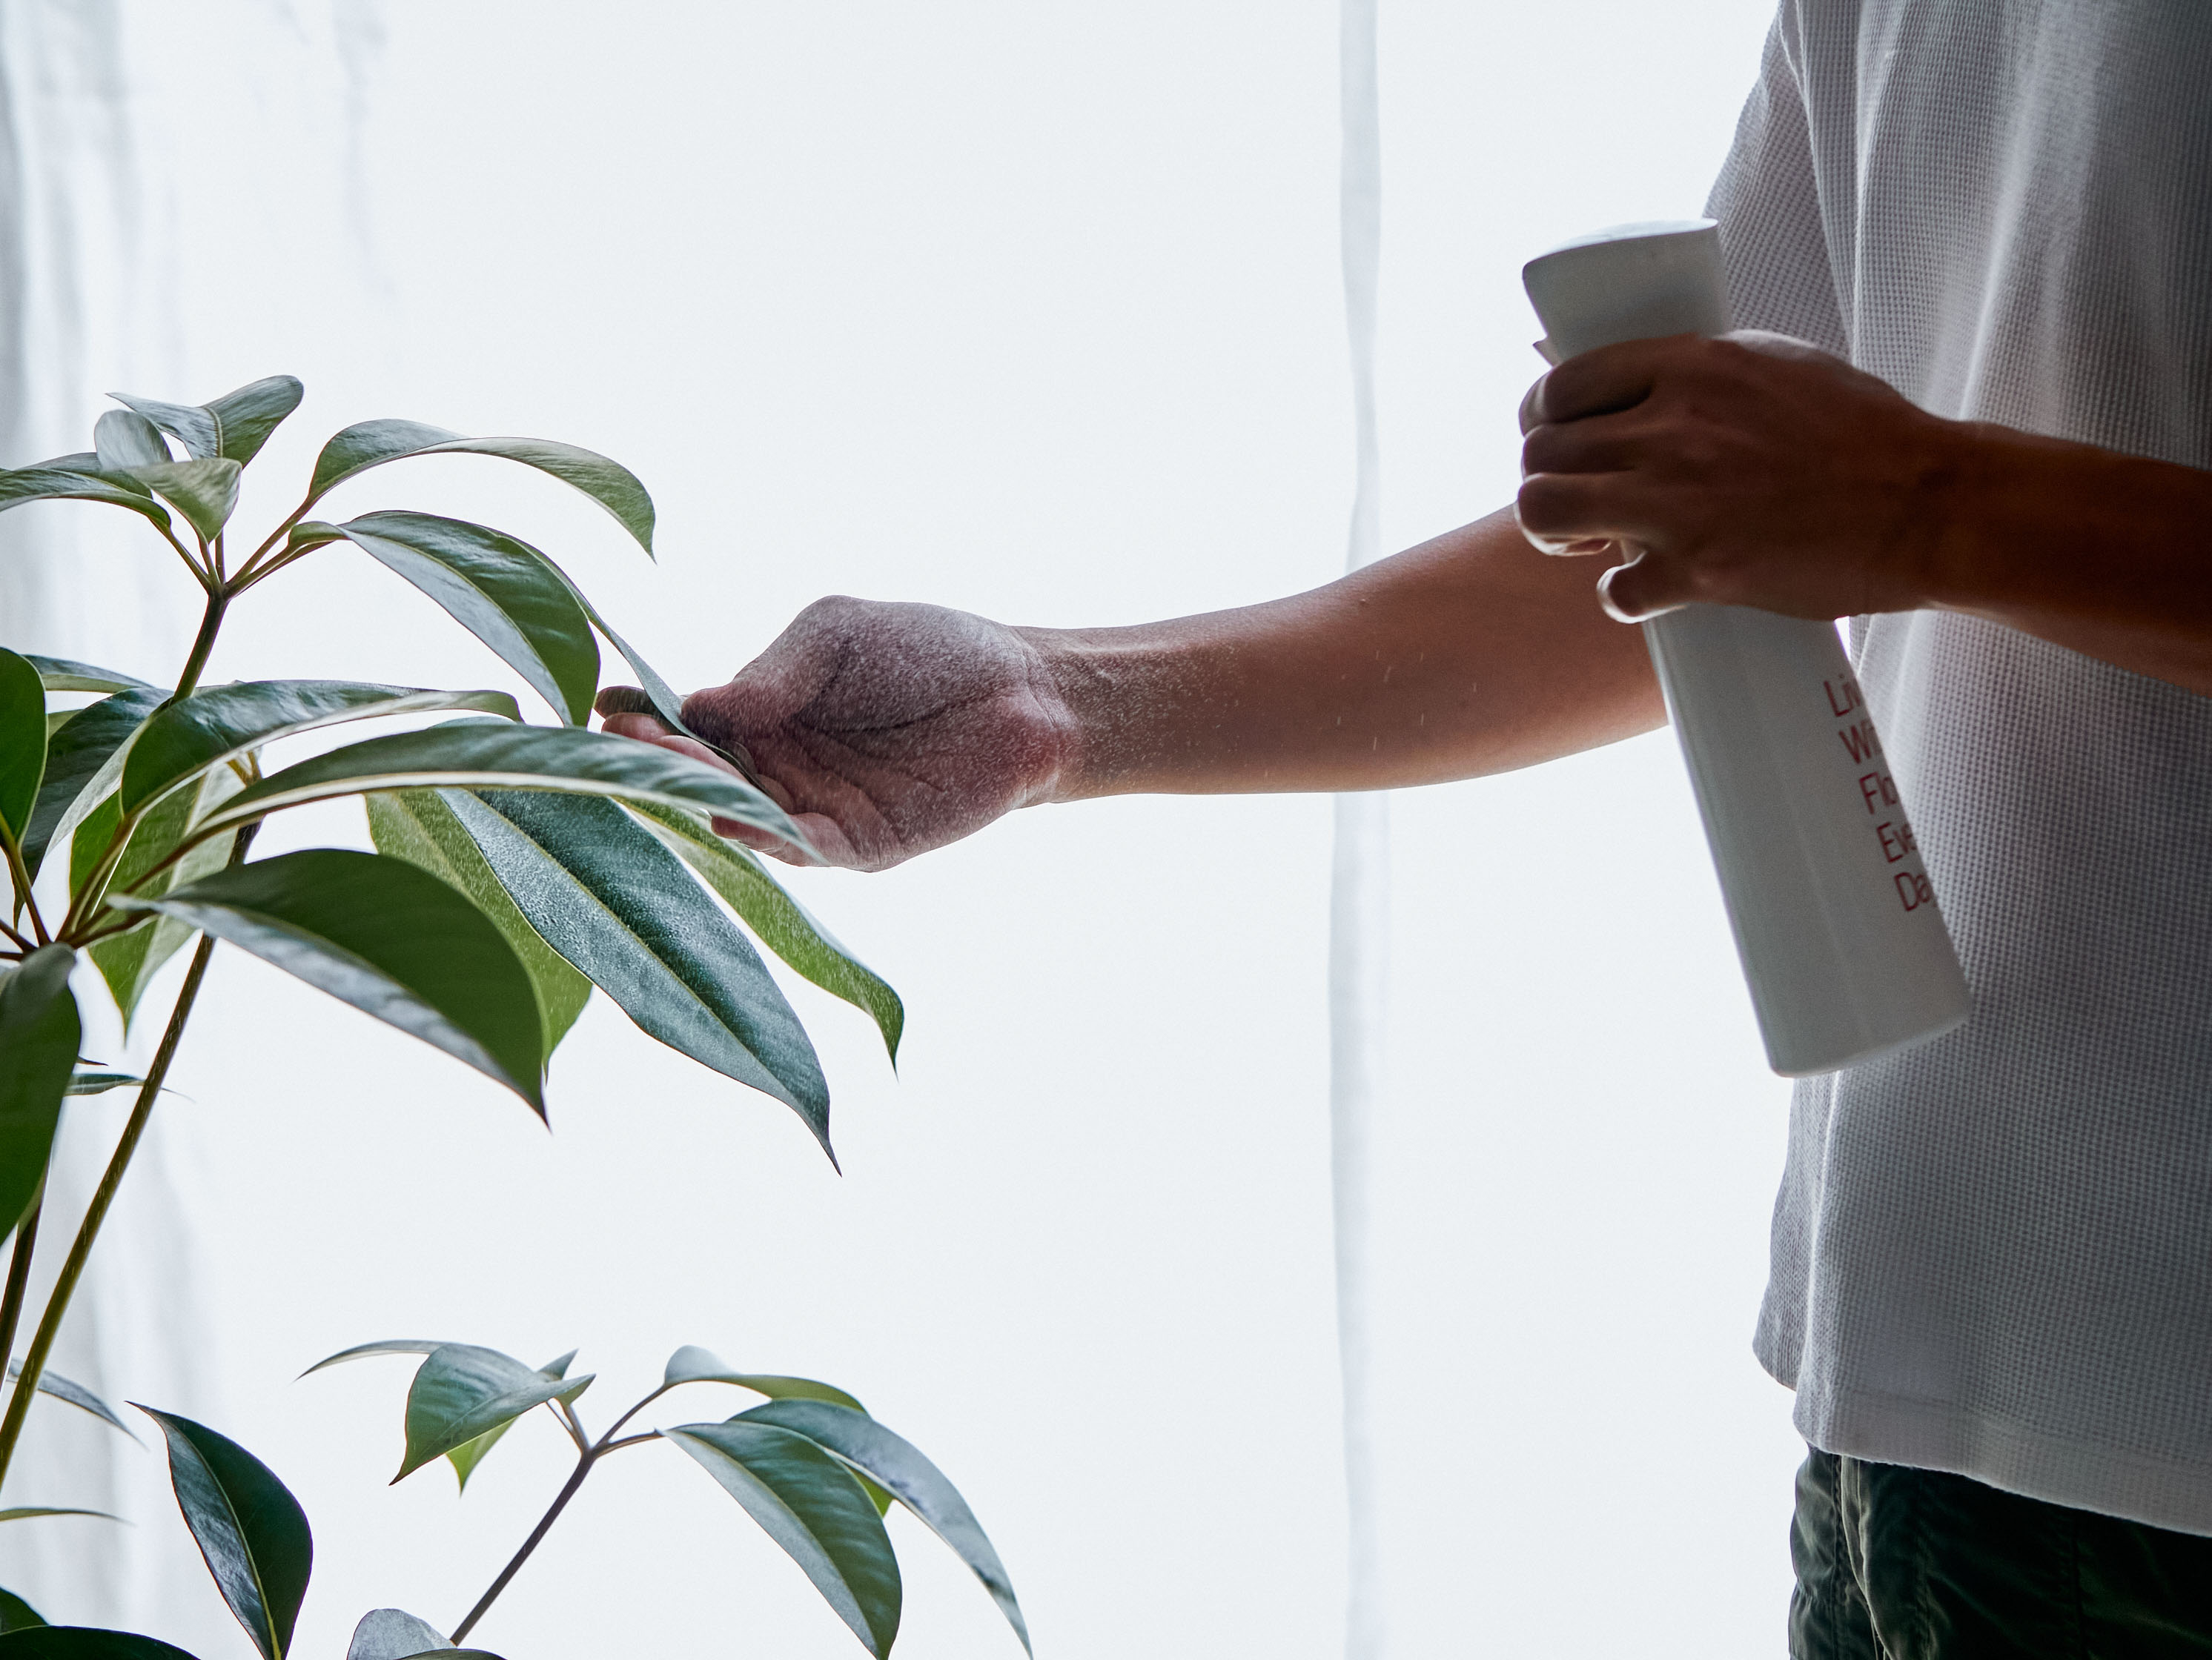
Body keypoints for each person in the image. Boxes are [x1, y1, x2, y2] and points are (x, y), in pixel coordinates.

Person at [604, 4, 2212, 1653]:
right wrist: (1058, 705)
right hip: (1916, 1396)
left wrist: (1933, 507)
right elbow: (1703, 550)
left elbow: (1868, 496)